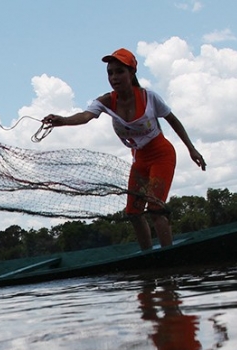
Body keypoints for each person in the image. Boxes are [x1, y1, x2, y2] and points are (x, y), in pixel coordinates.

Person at [43, 48, 206, 251]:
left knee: (155, 209)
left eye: (119, 71)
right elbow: (85, 116)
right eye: (110, 73)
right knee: (133, 212)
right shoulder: (106, 101)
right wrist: (63, 120)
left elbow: (173, 121)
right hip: (140, 160)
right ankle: (147, 255)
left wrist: (192, 149)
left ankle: (167, 254)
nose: (114, 77)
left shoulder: (149, 97)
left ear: (131, 73)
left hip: (161, 154)